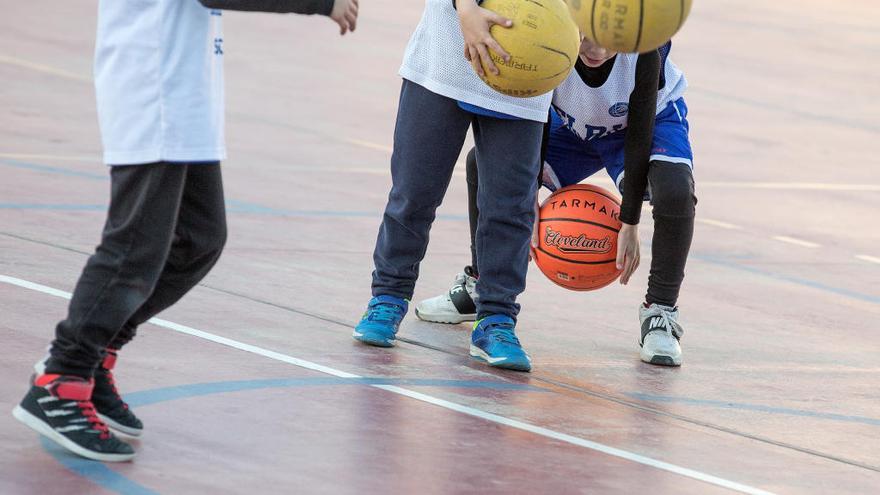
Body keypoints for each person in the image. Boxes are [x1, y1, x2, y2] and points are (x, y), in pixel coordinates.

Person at [13, 0, 359, 462]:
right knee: (132, 249)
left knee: (199, 240)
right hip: (151, 86)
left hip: (185, 89)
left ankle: (95, 356)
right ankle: (63, 378)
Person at [416, 38, 697, 367]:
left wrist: (630, 219)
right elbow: (539, 111)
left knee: (675, 192)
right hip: (574, 125)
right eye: (586, 38)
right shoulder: (551, 27)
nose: (595, 50)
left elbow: (640, 128)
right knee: (485, 164)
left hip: (643, 124)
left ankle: (660, 311)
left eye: (605, 41)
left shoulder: (646, 39)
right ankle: (481, 285)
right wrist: (529, 188)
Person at [352, 0, 556, 373]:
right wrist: (465, 10)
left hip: (526, 71)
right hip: (444, 60)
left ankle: (496, 319)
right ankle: (388, 297)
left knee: (509, 209)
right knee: (414, 193)